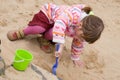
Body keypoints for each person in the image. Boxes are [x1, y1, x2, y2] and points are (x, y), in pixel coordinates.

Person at [7, 3, 104, 67]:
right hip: (47, 16)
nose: (80, 39)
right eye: (81, 37)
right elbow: (60, 24)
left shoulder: (83, 32)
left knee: (53, 34)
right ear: (79, 25)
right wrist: (61, 44)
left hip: (56, 27)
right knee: (39, 28)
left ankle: (43, 39)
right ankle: (23, 32)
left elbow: (78, 44)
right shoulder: (73, 15)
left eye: (83, 39)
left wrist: (75, 57)